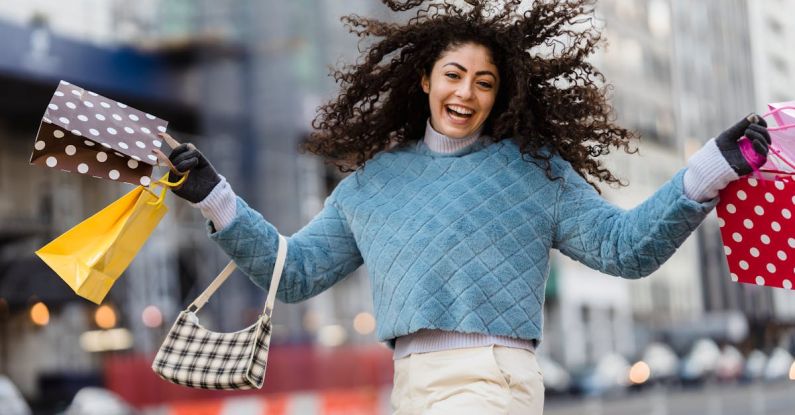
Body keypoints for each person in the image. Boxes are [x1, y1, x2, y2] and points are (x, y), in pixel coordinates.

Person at [161, 0, 770, 413]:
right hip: (409, 387)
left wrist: (708, 170)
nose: (467, 93)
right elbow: (293, 275)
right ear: (426, 79)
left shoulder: (534, 173)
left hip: (495, 380)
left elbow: (625, 249)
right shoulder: (374, 182)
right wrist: (215, 198)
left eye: (485, 83)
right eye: (455, 75)